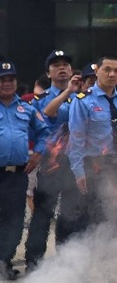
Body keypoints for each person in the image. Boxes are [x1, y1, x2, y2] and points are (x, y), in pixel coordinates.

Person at [67, 55, 117, 232]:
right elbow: (76, 139)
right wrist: (78, 171)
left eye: (116, 71)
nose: (112, 74)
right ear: (97, 71)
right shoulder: (83, 101)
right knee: (94, 217)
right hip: (95, 166)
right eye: (107, 70)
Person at [27, 50, 82, 265]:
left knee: (70, 214)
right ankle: (34, 261)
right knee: (43, 213)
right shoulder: (40, 100)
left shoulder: (81, 98)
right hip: (50, 163)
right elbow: (47, 116)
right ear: (48, 73)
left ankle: (65, 261)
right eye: (56, 65)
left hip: (74, 163)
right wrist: (67, 92)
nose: (62, 68)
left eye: (65, 65)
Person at [0, 61, 48, 280]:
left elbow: (44, 133)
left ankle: (4, 262)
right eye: (2, 79)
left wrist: (37, 154)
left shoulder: (27, 109)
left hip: (16, 175)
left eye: (11, 79)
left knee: (14, 221)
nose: (7, 83)